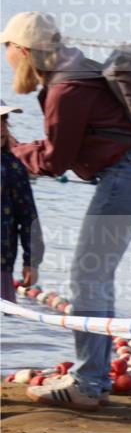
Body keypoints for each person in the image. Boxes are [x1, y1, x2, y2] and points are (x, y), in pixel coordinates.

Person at [2, 11, 131, 409]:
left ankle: (89, 383)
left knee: (88, 276)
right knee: (96, 276)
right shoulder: (78, 71)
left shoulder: (67, 88)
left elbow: (56, 160)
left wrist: (14, 152)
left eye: (7, 50)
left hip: (126, 179)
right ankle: (94, 377)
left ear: (23, 50)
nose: (7, 59)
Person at [1, 101, 44, 302]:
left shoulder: (13, 167)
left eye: (3, 121)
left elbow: (28, 217)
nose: (1, 128)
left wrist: (31, 261)